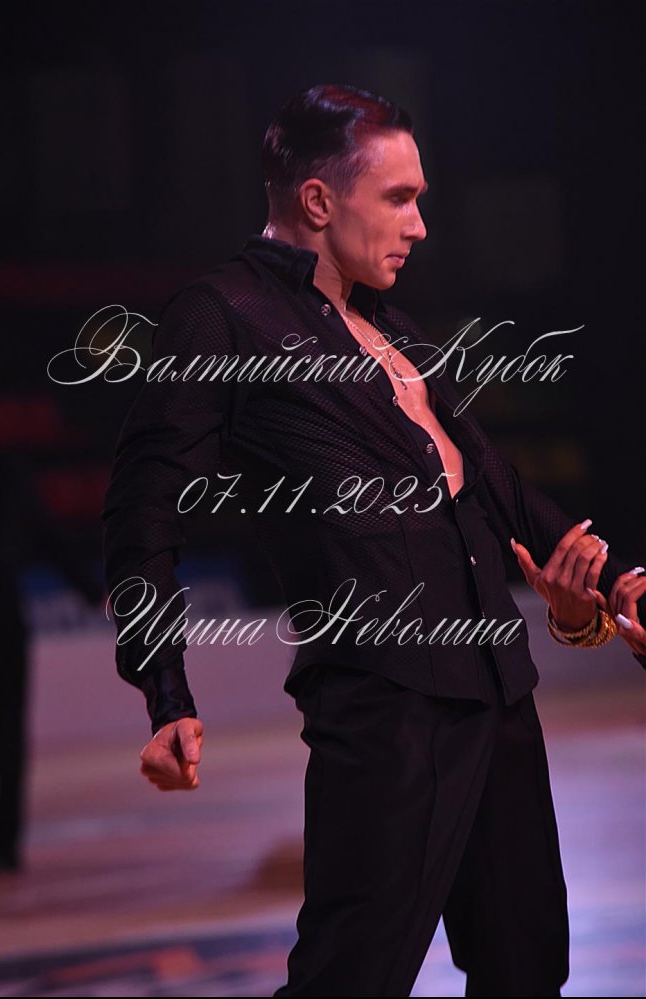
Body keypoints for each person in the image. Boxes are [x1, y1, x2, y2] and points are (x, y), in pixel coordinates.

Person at [102, 85, 646, 996]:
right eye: (399, 198)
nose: (420, 225)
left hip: (500, 697)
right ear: (319, 200)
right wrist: (164, 687)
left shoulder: (394, 328)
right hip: (388, 712)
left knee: (529, 970)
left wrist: (622, 582)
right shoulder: (224, 315)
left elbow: (496, 485)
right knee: (350, 979)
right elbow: (142, 506)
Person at [0, 367, 102, 874]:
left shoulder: (10, 471)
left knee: (10, 733)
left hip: (3, 620)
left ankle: (6, 846)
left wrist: (96, 592)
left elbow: (51, 539)